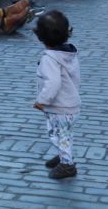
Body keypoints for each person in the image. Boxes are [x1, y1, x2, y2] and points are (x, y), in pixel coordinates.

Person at [33, 10, 81, 180]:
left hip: (59, 108)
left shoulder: (50, 59)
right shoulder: (68, 54)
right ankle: (63, 156)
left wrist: (42, 101)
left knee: (58, 135)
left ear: (41, 37)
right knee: (65, 134)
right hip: (71, 105)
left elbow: (53, 83)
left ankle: (67, 164)